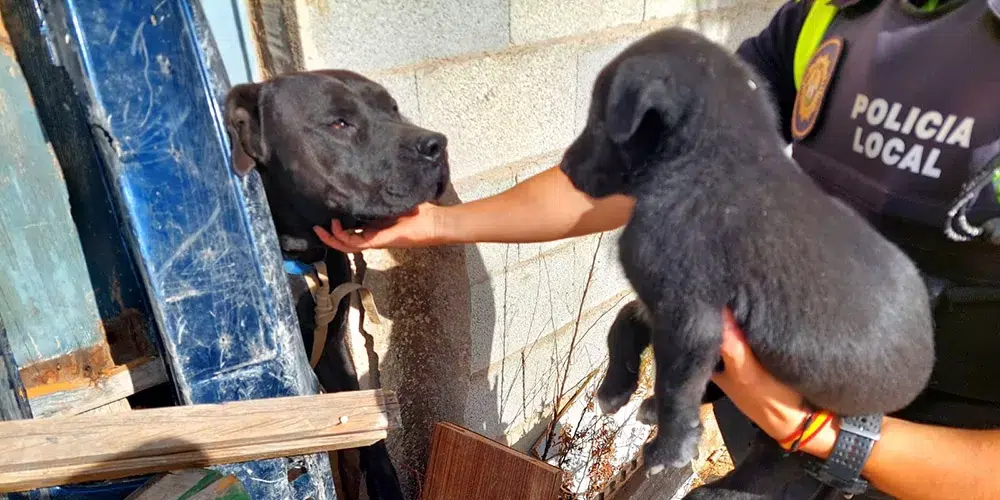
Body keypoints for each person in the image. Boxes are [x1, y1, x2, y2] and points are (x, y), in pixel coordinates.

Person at [315, 0, 1000, 498]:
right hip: (785, 403)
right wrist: (437, 225)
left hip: (939, 456)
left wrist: (818, 434)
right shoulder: (832, 21)